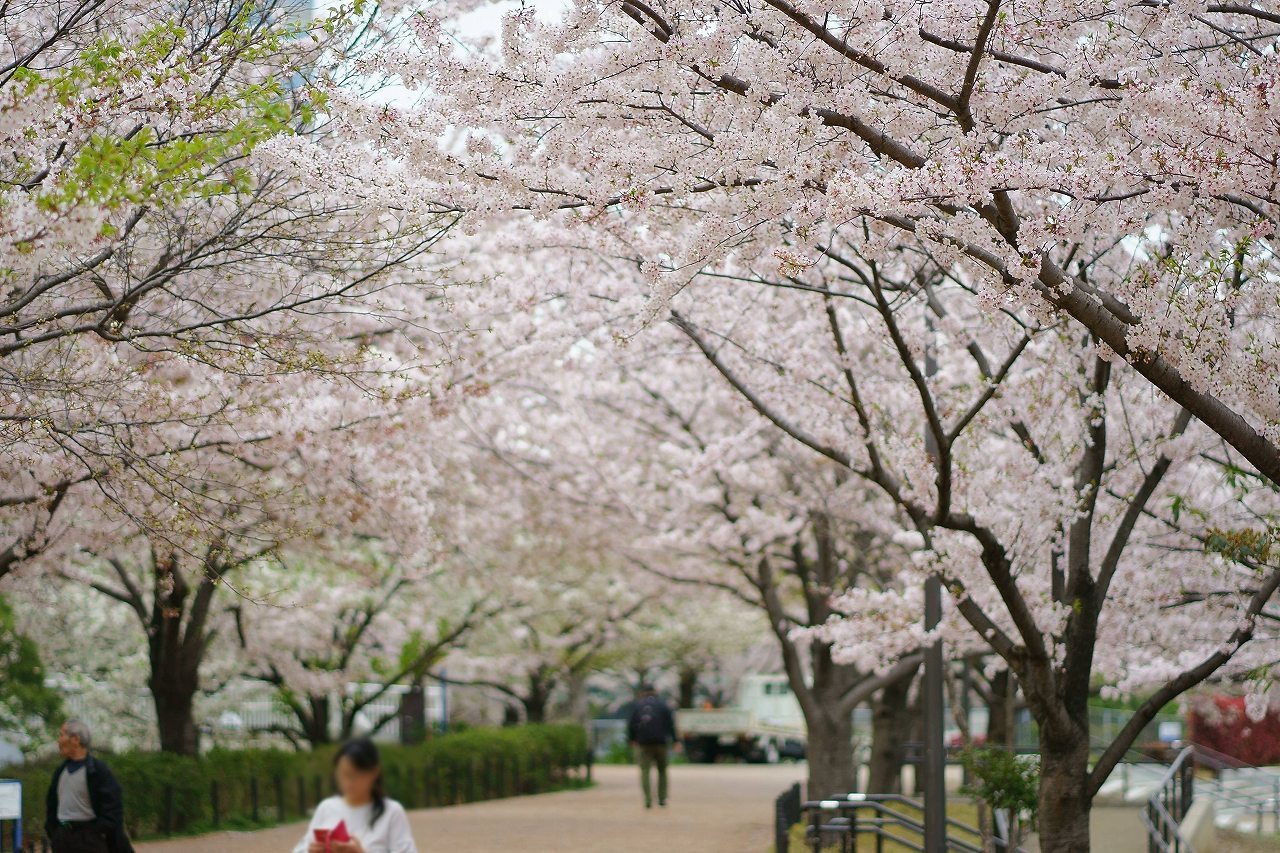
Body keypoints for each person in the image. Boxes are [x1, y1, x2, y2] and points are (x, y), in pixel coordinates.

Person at [294, 738, 417, 853]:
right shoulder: (326, 808)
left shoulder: (392, 812)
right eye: (344, 774)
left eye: (357, 776)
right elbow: (300, 849)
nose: (349, 783)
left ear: (374, 772)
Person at [43, 720, 134, 853]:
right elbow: (51, 805)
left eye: (61, 735)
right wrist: (54, 832)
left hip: (89, 840)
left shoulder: (98, 770)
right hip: (63, 839)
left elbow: (113, 806)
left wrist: (98, 832)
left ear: (75, 739)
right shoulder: (60, 772)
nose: (58, 741)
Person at [626, 684, 677, 809]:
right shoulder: (663, 705)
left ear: (642, 693)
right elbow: (670, 724)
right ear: (655, 692)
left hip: (643, 743)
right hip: (661, 742)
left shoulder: (637, 705)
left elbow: (631, 724)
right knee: (662, 771)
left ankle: (647, 799)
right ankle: (662, 798)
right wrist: (676, 740)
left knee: (645, 771)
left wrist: (631, 739)